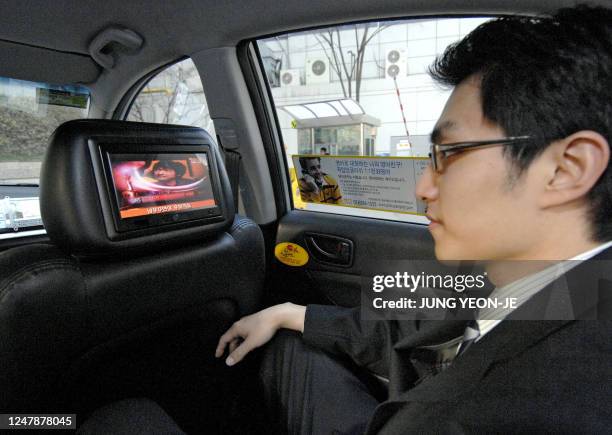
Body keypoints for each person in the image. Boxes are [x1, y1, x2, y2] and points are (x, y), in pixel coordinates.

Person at [216, 6, 611, 434]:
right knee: (287, 342)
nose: (422, 187)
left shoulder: (560, 402)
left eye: (449, 154)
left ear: (566, 168)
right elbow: (419, 324)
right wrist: (291, 313)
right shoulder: (554, 281)